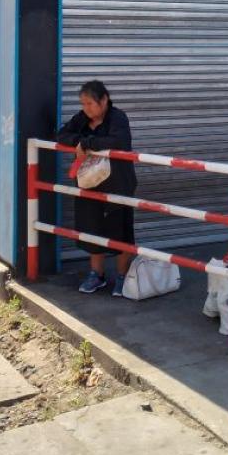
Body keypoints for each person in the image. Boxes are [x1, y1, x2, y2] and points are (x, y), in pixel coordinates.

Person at [56, 80, 138, 295]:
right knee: (91, 228)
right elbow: (62, 135)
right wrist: (80, 140)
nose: (86, 109)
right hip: (89, 184)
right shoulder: (82, 118)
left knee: (120, 231)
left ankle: (122, 277)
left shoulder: (117, 117)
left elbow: (118, 141)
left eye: (90, 103)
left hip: (118, 184)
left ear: (104, 100)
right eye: (83, 104)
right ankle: (97, 275)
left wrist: (87, 143)